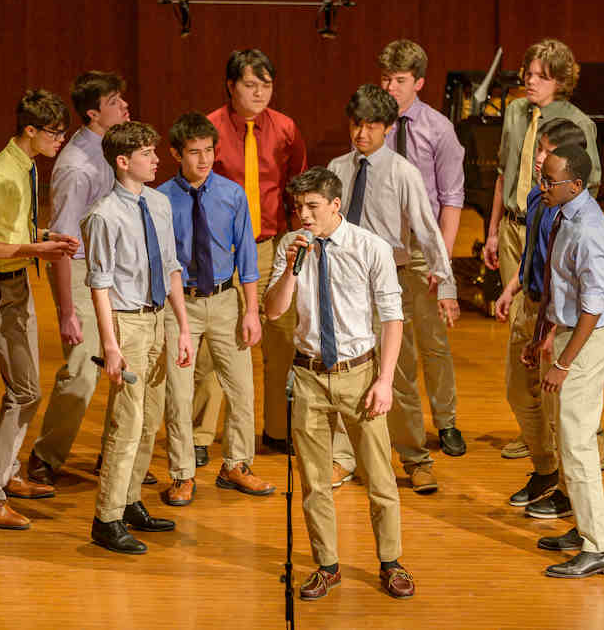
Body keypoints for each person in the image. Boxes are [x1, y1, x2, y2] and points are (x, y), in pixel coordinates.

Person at [264, 166, 414, 600]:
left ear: (335, 205)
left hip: (359, 373)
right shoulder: (290, 247)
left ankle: (391, 562)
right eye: (299, 207)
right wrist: (290, 269)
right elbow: (273, 310)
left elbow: (392, 318)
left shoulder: (371, 248)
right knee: (314, 482)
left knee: (379, 478)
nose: (304, 215)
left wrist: (385, 380)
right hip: (308, 375)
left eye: (313, 206)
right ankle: (327, 566)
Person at [327, 84, 460, 494]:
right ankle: (344, 457)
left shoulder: (403, 172)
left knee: (397, 374)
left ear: (387, 127)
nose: (361, 133)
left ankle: (415, 458)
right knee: (345, 371)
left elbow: (427, 229)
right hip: (345, 283)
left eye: (371, 126)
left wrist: (446, 285)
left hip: (391, 281)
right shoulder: (337, 168)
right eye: (356, 124)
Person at [0, 89, 79, 529]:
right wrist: (37, 249)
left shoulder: (25, 164)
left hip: (15, 283)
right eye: (55, 133)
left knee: (27, 389)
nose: (61, 140)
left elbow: (10, 229)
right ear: (30, 130)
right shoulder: (2, 176)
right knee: (24, 391)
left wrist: (45, 236)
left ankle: (8, 474)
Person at [481, 38, 601, 459]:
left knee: (544, 324)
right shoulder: (516, 111)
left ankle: (559, 428)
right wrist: (493, 232)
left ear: (561, 81)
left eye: (541, 77)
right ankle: (533, 426)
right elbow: (504, 173)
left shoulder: (577, 123)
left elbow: (588, 186)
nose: (530, 82)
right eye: (528, 74)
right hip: (515, 227)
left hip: (550, 233)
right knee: (520, 326)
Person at [82, 121, 193, 554]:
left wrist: (182, 328)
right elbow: (100, 284)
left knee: (149, 419)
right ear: (123, 161)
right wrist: (110, 346)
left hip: (158, 320)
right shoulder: (103, 215)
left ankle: (129, 501)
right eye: (147, 153)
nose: (157, 159)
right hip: (126, 324)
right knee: (125, 423)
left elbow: (171, 267)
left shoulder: (159, 203)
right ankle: (106, 517)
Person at [496, 119, 604, 520]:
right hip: (535, 307)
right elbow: (536, 259)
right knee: (520, 391)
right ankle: (547, 470)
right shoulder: (540, 197)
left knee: (564, 414)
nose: (538, 159)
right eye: (539, 150)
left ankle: (568, 491)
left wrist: (551, 336)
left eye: (546, 152)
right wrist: (512, 287)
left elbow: (574, 288)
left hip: (559, 319)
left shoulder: (575, 216)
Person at [155, 112, 271, 507]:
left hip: (225, 301)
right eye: (194, 152)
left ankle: (236, 465)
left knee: (241, 389)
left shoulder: (232, 194)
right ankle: (182, 474)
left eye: (209, 150)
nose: (204, 159)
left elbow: (248, 257)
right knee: (179, 394)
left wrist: (251, 310)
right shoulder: (160, 200)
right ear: (176, 154)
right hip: (180, 303)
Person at [27, 71, 132, 486]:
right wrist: (67, 310)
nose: (124, 106)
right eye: (114, 101)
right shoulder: (75, 166)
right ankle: (46, 455)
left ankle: (115, 455)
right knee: (84, 367)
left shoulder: (113, 148)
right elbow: (62, 242)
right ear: (93, 113)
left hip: (117, 268)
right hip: (84, 271)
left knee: (128, 359)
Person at [524, 144, 604, 578]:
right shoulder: (564, 214)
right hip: (569, 332)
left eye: (550, 181)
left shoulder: (589, 232)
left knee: (578, 442)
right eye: (542, 178)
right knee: (566, 434)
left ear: (576, 185)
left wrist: (563, 363)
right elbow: (558, 286)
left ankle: (600, 546)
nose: (542, 187)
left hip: (590, 339)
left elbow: (593, 309)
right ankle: (584, 528)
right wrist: (541, 336)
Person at [207, 49, 307, 454]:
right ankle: (200, 437)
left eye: (266, 85)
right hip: (222, 250)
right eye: (250, 85)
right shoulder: (211, 128)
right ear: (231, 86)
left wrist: (298, 244)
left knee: (281, 341)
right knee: (218, 342)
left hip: (270, 245)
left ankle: (278, 430)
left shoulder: (285, 128)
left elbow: (298, 185)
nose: (259, 93)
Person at [378, 39, 466, 457]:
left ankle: (446, 421)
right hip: (385, 246)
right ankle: (403, 424)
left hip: (423, 245)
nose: (390, 88)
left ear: (419, 82)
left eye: (399, 80)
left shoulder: (438, 128)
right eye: (385, 79)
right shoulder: (374, 126)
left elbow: (451, 198)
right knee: (396, 342)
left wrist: (441, 262)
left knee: (433, 341)